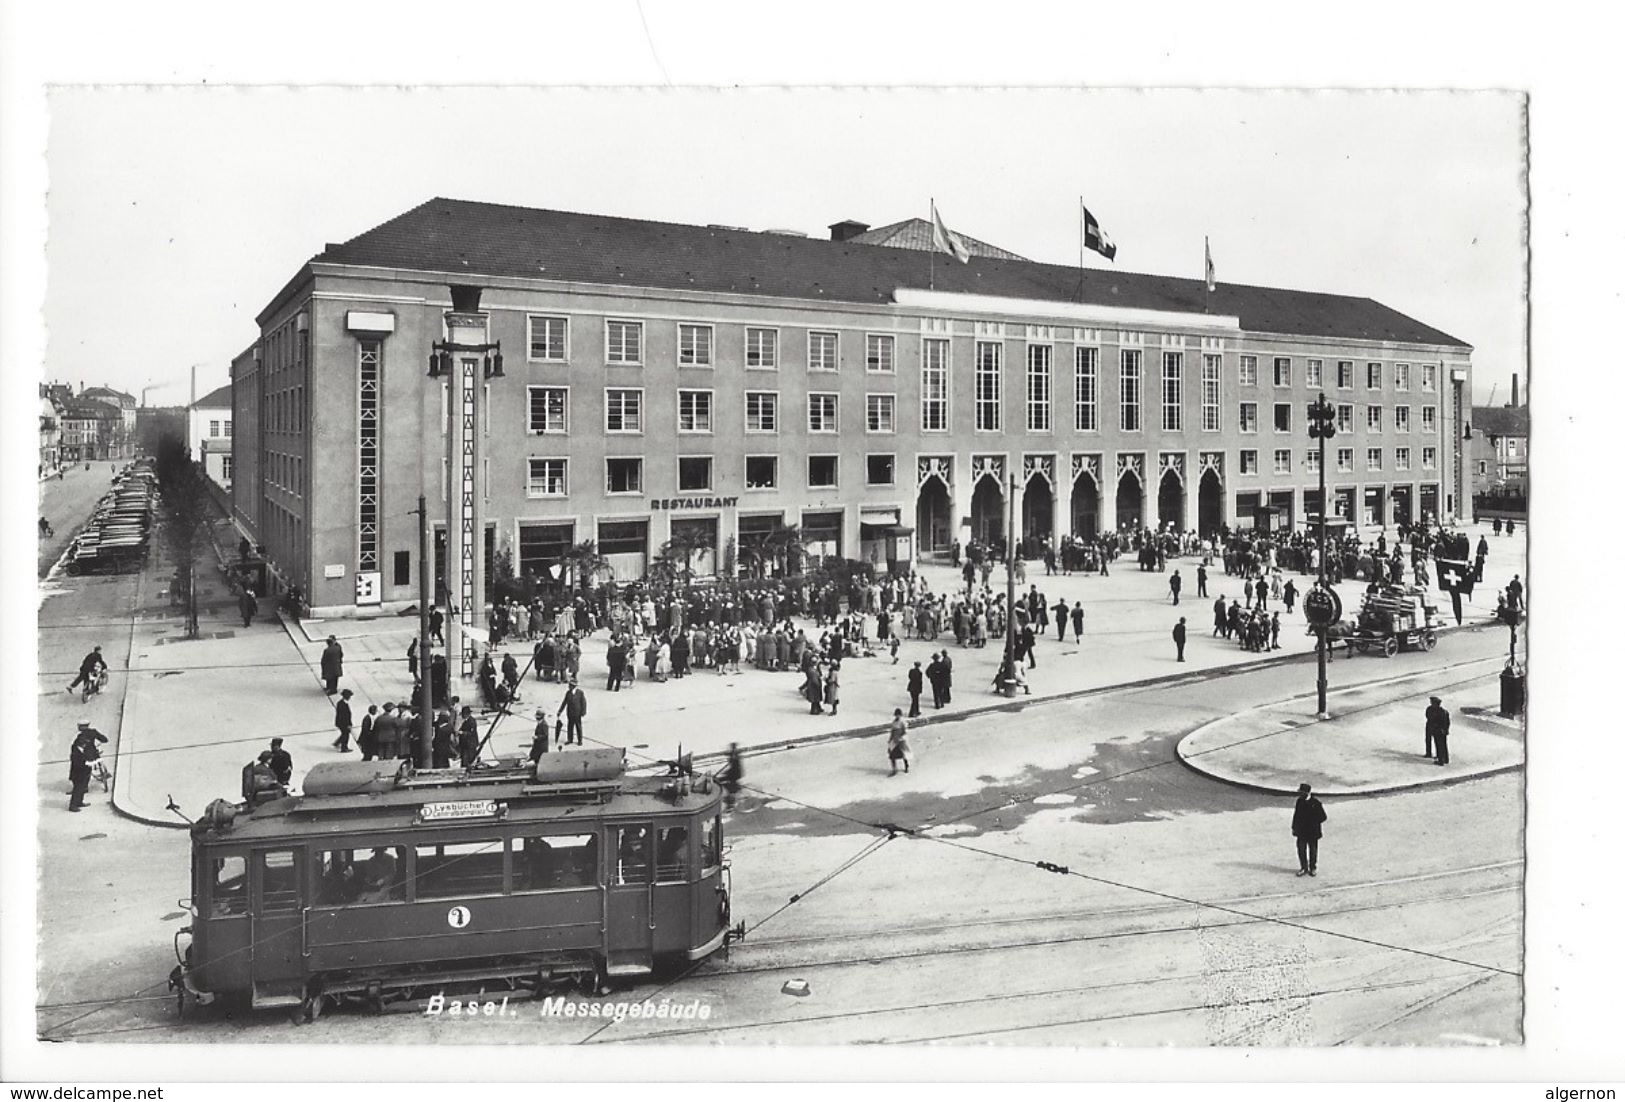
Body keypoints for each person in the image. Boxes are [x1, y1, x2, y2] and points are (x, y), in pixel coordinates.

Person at [68, 723, 107, 812]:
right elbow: (76, 760)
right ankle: (73, 805)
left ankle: (79, 802)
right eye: (84, 744)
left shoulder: (80, 741)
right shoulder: (77, 747)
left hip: (84, 764)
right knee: (79, 785)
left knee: (82, 784)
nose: (85, 745)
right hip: (80, 767)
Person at [1292, 783, 1327, 877]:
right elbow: (1296, 816)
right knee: (1301, 849)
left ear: (1307, 792)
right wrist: (1294, 828)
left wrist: (1313, 822)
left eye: (1302, 792)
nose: (1300, 794)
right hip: (1302, 831)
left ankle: (1312, 868)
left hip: (1312, 832)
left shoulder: (1316, 803)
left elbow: (1323, 817)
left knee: (1313, 850)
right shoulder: (1299, 801)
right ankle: (1303, 867)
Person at [557, 679, 587, 746]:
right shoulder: (568, 693)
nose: (569, 687)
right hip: (570, 713)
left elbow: (583, 703)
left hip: (577, 713)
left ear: (574, 686)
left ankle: (580, 740)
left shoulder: (580, 693)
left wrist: (583, 711)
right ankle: (570, 739)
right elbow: (564, 702)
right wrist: (560, 711)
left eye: (570, 685)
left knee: (578, 727)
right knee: (570, 726)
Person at [718, 743, 744, 811]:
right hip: (733, 774)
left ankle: (730, 803)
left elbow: (734, 767)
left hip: (735, 774)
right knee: (721, 781)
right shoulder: (734, 755)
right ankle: (729, 800)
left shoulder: (735, 756)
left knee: (723, 783)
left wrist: (726, 773)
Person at [887, 709, 912, 775]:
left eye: (898, 715)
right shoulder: (894, 723)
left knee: (904, 754)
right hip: (895, 740)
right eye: (896, 715)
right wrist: (890, 739)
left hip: (901, 740)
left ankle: (906, 766)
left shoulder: (902, 722)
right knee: (892, 755)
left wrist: (901, 737)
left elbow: (905, 731)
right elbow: (892, 732)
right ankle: (894, 769)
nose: (897, 716)